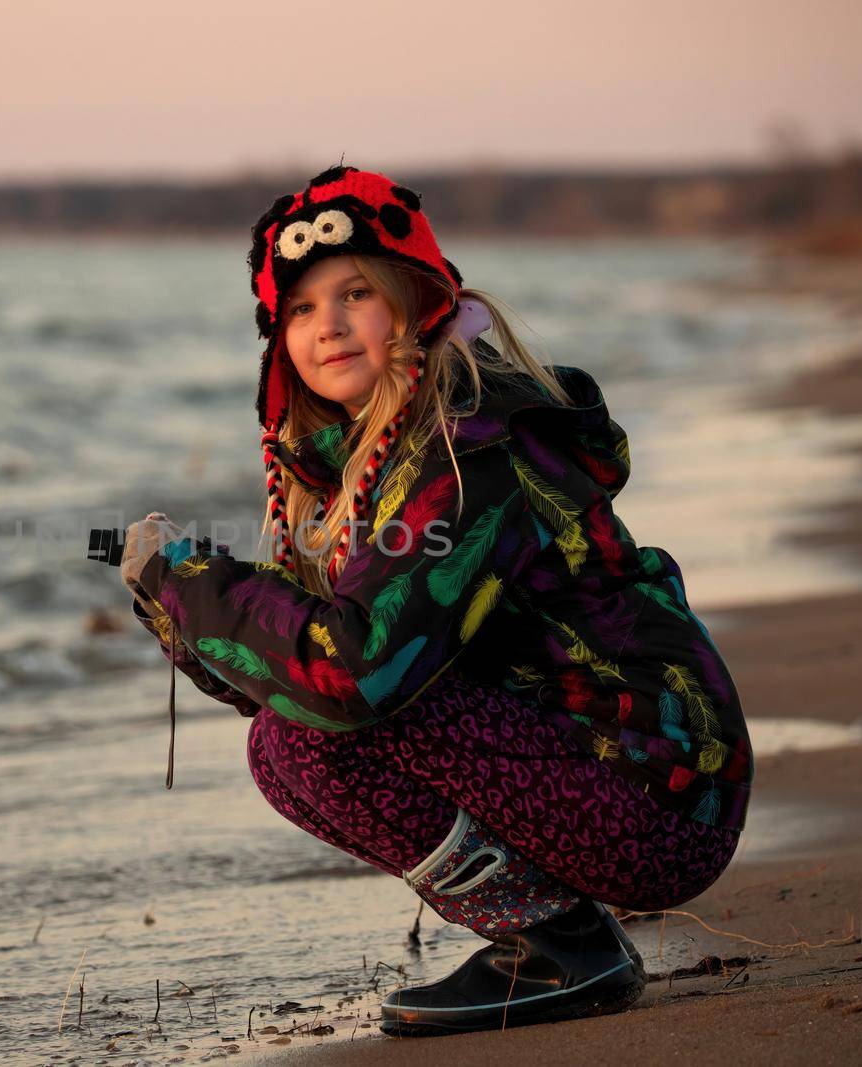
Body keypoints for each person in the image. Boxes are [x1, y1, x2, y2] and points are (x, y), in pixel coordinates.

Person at [119, 164, 752, 1037]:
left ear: (417, 306)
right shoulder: (363, 465)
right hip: (597, 771)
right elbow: (287, 680)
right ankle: (555, 937)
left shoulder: (469, 452)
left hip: (660, 793)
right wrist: (179, 605)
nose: (327, 325)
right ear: (278, 346)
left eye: (354, 294)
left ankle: (560, 945)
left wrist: (196, 588)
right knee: (283, 741)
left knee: (309, 739)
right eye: (299, 310)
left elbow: (353, 675)